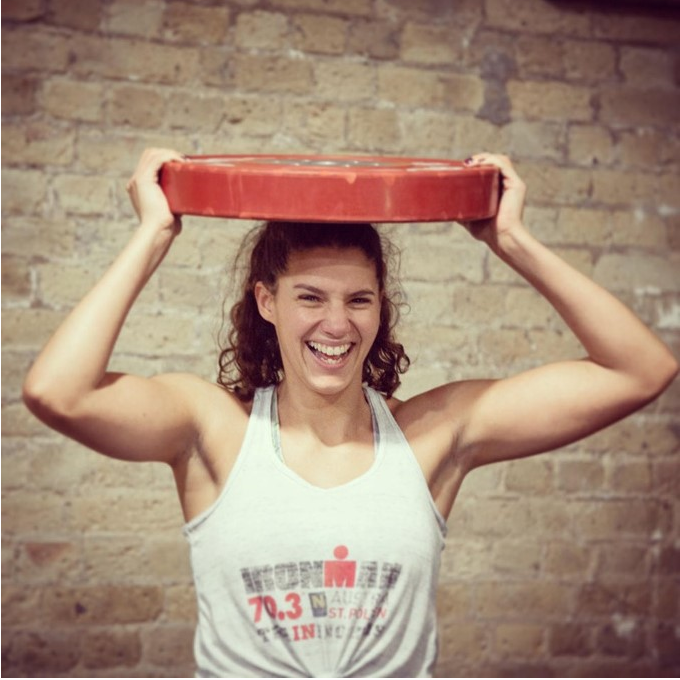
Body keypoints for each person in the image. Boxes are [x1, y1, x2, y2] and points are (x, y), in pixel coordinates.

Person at [23, 148, 678, 678]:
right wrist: (152, 233)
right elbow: (58, 392)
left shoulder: (432, 435)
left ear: (380, 308)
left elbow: (641, 370)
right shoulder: (212, 428)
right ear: (266, 301)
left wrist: (513, 241)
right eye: (310, 297)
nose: (336, 324)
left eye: (359, 300)